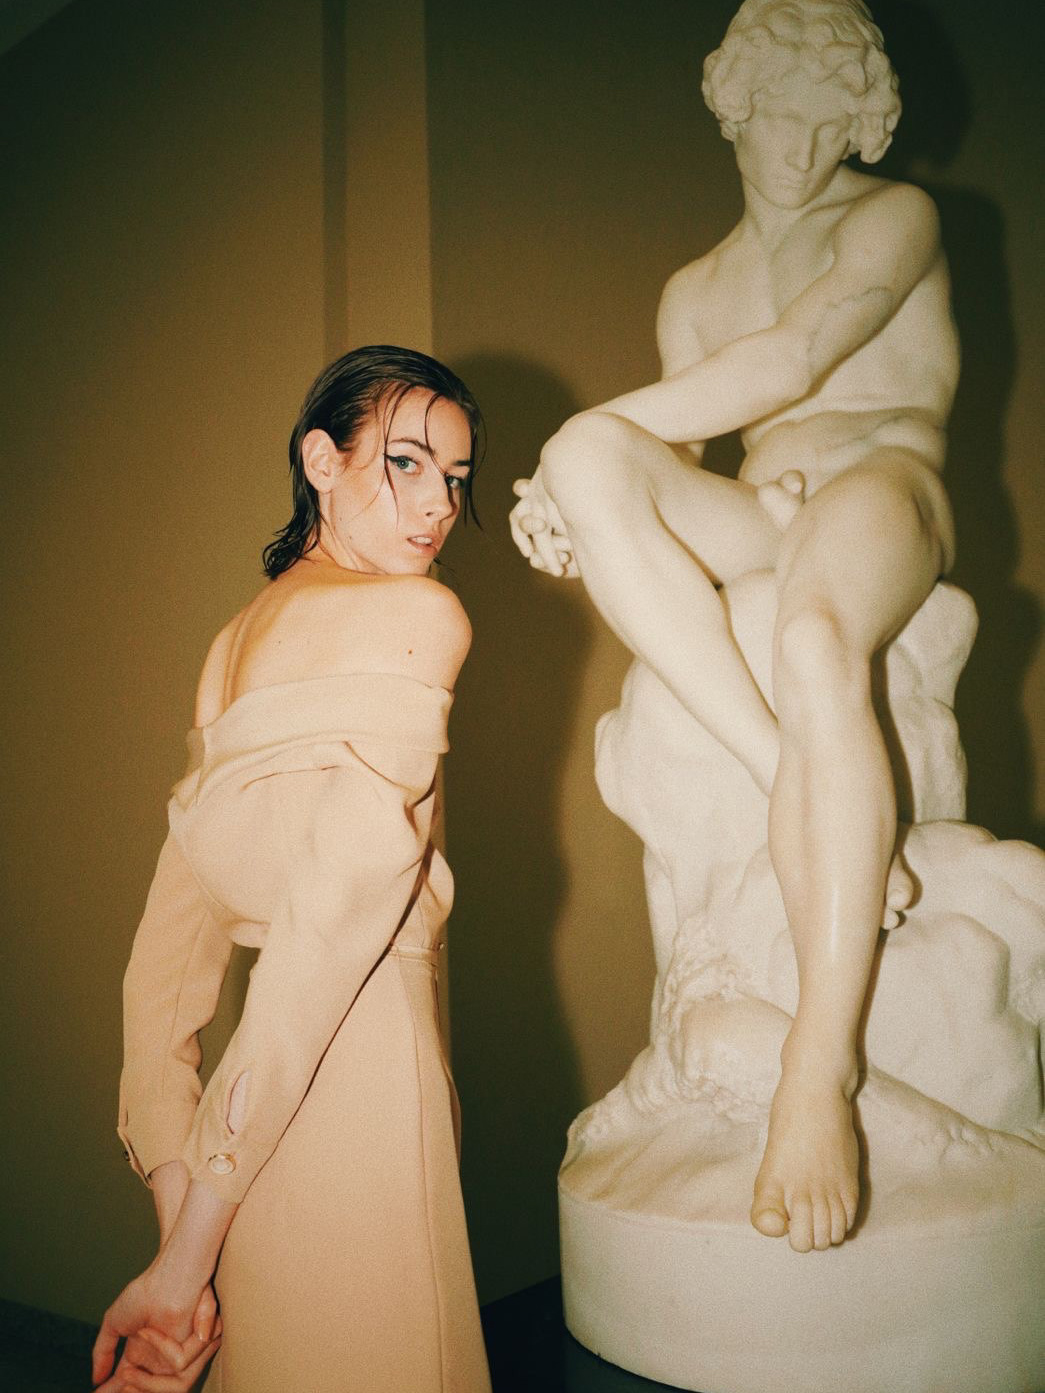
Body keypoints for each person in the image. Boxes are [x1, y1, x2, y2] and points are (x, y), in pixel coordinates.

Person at [510, 0, 958, 1255]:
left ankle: (819, 1068)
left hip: (884, 487)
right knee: (592, 466)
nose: (802, 148)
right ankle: (785, 771)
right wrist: (569, 487)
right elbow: (674, 463)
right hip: (768, 510)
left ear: (861, 121)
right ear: (734, 105)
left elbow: (793, 359)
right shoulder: (692, 289)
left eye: (830, 122)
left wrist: (579, 441)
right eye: (780, 116)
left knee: (811, 636)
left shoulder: (893, 217)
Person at [92, 346, 492, 1392]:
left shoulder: (228, 648)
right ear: (321, 460)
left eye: (455, 478)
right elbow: (321, 950)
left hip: (233, 1144)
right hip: (360, 1103)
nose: (438, 505)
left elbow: (160, 977)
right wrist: (187, 1257)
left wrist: (184, 1231)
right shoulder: (423, 615)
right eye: (406, 462)